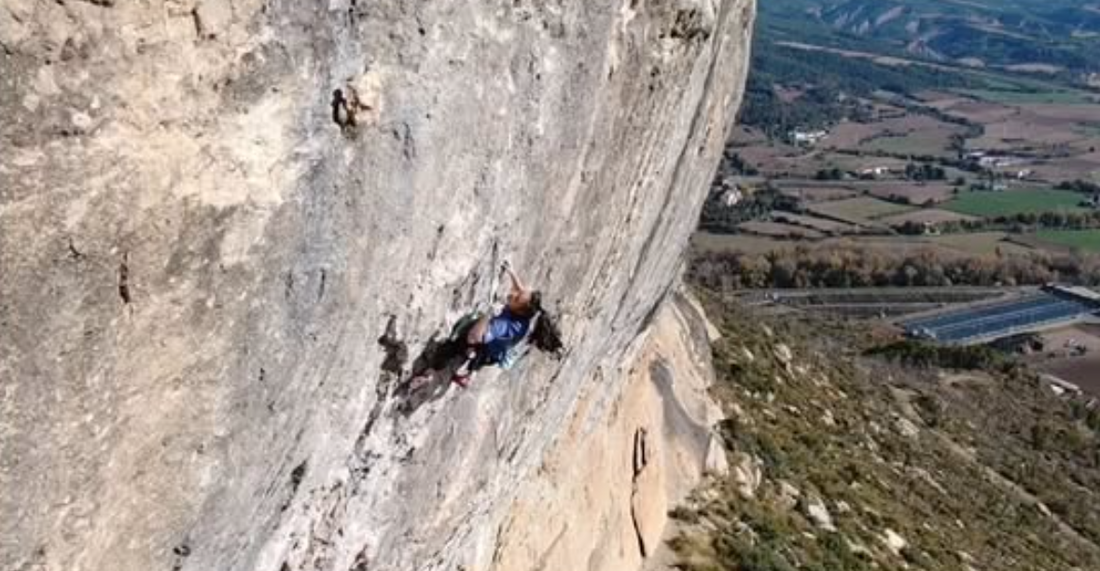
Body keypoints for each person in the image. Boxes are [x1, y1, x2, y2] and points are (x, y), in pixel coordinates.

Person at [451, 262, 543, 386]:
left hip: (489, 348)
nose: (513, 294)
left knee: (475, 348)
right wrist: (511, 272)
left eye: (516, 299)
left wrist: (489, 315)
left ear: (519, 310)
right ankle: (471, 366)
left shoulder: (505, 325)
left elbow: (478, 337)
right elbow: (521, 291)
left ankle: (469, 369)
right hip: (498, 347)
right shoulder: (523, 311)